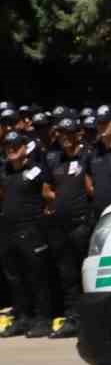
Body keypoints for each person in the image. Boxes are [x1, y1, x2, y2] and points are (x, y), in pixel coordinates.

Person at [1, 130, 57, 338]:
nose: (11, 149)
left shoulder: (36, 170)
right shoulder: (5, 172)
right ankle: (23, 318)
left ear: (25, 148)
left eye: (15, 145)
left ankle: (43, 319)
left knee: (37, 276)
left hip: (31, 230)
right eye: (8, 146)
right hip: (8, 232)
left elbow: (50, 196)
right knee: (15, 277)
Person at [41, 116, 93, 340]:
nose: (64, 137)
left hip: (82, 223)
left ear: (77, 134)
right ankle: (73, 319)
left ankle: (91, 320)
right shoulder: (54, 160)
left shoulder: (87, 156)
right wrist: (59, 198)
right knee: (67, 275)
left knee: (85, 273)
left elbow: (93, 188)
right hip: (60, 227)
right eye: (60, 133)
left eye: (68, 133)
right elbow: (45, 189)